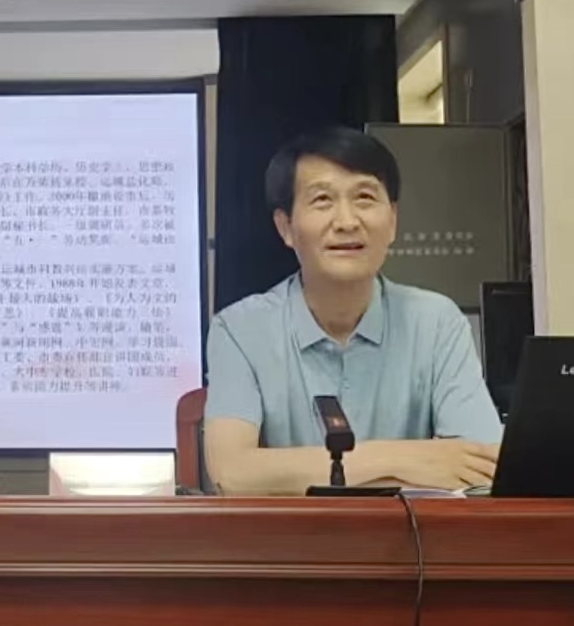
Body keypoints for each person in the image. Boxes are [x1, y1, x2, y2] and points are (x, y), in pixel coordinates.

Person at [204, 126, 502, 495]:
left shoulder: (437, 322)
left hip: (412, 534)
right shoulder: (240, 329)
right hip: (291, 535)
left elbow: (482, 469)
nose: (346, 222)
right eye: (322, 200)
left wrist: (292, 474)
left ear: (392, 221)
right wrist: (403, 459)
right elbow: (232, 475)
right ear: (286, 227)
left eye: (364, 197)